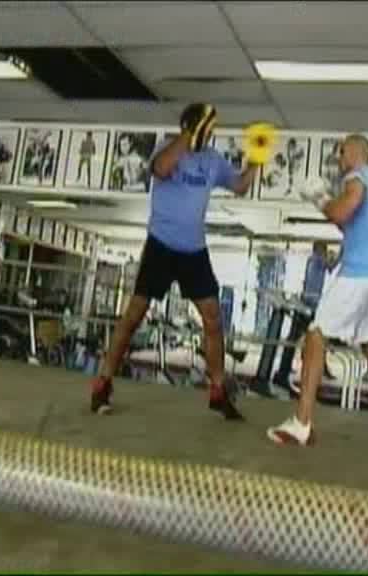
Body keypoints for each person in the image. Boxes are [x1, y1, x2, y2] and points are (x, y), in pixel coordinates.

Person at [89, 103, 258, 419]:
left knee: (213, 318)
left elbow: (239, 186)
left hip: (194, 250)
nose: (210, 134)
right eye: (206, 127)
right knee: (134, 316)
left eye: (211, 129)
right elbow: (160, 169)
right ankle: (102, 384)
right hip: (161, 246)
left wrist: (256, 160)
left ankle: (218, 391)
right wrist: (187, 136)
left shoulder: (213, 160)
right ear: (190, 127)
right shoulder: (167, 147)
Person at [267, 135, 368, 445]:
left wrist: (320, 198)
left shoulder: (356, 177)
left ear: (354, 152)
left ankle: (302, 422)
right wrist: (323, 201)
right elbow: (348, 224)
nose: (338, 158)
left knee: (316, 335)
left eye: (341, 152)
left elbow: (339, 213)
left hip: (358, 274)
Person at [272, 241, 335, 391]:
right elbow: (332, 267)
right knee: (313, 337)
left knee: (298, 338)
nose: (326, 253)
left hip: (308, 304)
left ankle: (285, 370)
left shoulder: (312, 260)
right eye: (325, 251)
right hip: (309, 305)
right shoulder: (317, 260)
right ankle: (286, 371)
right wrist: (340, 253)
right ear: (320, 250)